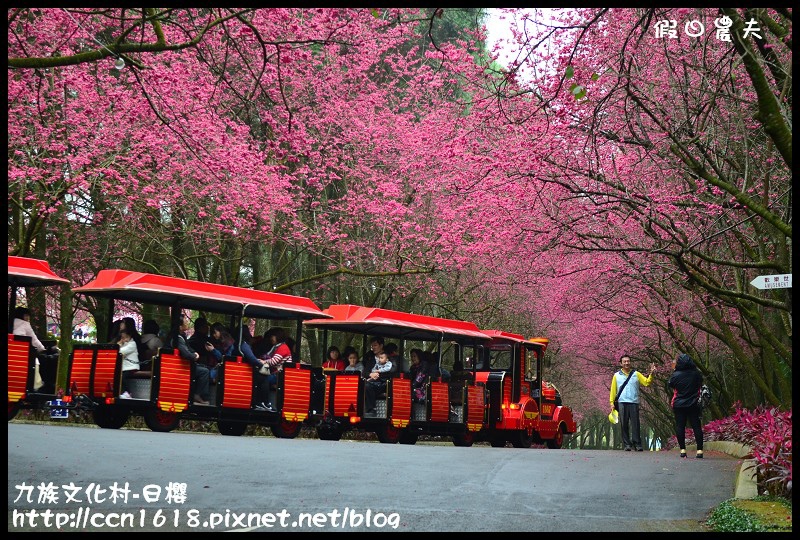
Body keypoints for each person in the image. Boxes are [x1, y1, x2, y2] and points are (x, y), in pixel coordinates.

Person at [609, 354, 655, 451]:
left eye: (628, 361)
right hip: (622, 402)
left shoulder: (636, 374)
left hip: (634, 402)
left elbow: (646, 382)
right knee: (624, 424)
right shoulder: (616, 376)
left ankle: (637, 444)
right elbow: (613, 390)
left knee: (636, 424)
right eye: (624, 361)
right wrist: (612, 402)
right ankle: (627, 445)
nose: (627, 363)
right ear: (621, 363)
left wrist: (652, 374)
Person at [668, 353, 705, 459]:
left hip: (679, 404)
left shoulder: (676, 375)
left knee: (680, 426)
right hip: (693, 404)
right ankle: (699, 450)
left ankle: (683, 450)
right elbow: (700, 383)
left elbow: (670, 384)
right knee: (696, 426)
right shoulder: (696, 374)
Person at [169, 313, 211, 405]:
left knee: (204, 368)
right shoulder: (177, 338)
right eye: (185, 322)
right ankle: (197, 394)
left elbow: (189, 348)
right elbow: (186, 353)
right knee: (204, 372)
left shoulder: (182, 336)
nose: (187, 323)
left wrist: (194, 353)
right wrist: (194, 356)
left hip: (185, 364)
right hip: (181, 367)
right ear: (180, 326)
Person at [254, 327, 293, 411]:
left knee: (264, 379)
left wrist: (263, 361)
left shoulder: (283, 348)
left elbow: (273, 361)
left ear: (278, 336)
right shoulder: (277, 347)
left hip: (280, 375)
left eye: (273, 336)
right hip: (277, 373)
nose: (271, 338)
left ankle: (265, 402)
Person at [115, 329, 140, 399]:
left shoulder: (132, 344)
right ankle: (122, 392)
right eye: (123, 338)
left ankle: (128, 392)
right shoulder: (124, 344)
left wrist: (118, 345)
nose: (124, 339)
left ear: (130, 337)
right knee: (119, 376)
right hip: (125, 367)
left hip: (132, 367)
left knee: (124, 376)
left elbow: (121, 351)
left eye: (126, 338)